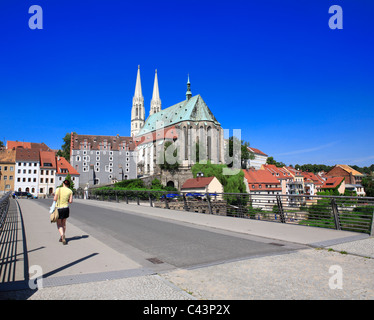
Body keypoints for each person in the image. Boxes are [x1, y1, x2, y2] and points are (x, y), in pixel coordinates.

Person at [54, 179, 73, 245]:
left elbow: (55, 199)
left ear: (63, 184)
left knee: (59, 223)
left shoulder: (58, 189)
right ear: (68, 185)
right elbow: (70, 201)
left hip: (59, 208)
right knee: (64, 223)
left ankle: (62, 235)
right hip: (66, 208)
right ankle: (63, 235)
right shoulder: (70, 191)